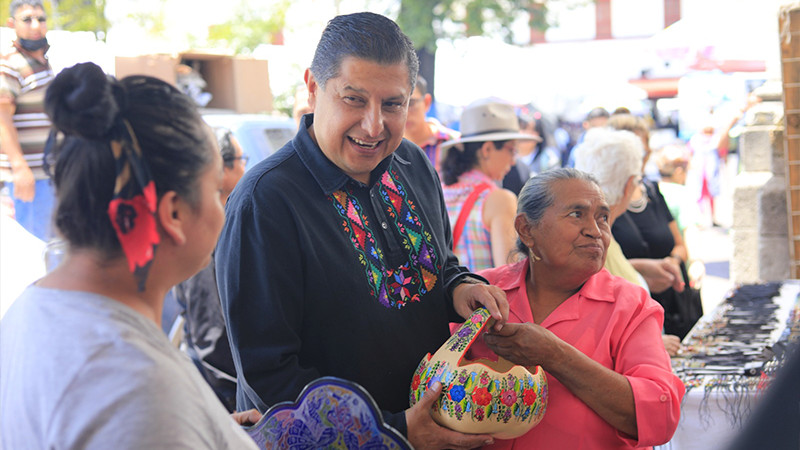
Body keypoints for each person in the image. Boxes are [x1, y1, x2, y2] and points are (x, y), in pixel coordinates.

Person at [215, 12, 509, 450]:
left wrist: (460, 286)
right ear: (314, 88)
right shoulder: (265, 201)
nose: (374, 126)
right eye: (354, 99)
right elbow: (268, 373)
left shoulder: (413, 165)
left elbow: (439, 264)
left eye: (393, 104)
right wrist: (393, 430)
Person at [0, 62, 259, 448]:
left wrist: (210, 428)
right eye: (215, 192)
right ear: (173, 214)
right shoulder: (135, 386)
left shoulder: (33, 308)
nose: (223, 209)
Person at [467, 168, 684, 449]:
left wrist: (556, 356)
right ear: (527, 229)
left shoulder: (631, 306)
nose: (595, 231)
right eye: (576, 214)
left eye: (602, 217)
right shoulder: (482, 293)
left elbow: (660, 414)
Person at [573, 127, 683, 356]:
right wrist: (648, 343)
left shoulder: (595, 234)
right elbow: (591, 320)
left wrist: (640, 269)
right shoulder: (598, 238)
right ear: (629, 184)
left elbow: (603, 282)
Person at [172, 127, 248, 412]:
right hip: (219, 395)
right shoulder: (203, 236)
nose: (245, 168)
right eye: (241, 160)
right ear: (221, 168)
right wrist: (233, 399)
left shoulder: (222, 223)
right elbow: (210, 335)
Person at [439, 98, 537, 272]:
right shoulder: (499, 199)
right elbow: (509, 272)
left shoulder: (439, 190)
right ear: (487, 149)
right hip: (483, 298)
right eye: (511, 150)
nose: (514, 161)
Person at [0, 0, 56, 241]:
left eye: (40, 19)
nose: (36, 25)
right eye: (27, 19)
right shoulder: (10, 64)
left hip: (47, 173)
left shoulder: (43, 63)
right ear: (12, 24)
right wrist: (20, 167)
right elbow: (2, 118)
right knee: (33, 249)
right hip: (27, 177)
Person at [402, 75, 459, 172]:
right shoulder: (385, 148)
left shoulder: (455, 143)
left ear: (426, 102)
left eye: (411, 103)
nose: (405, 113)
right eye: (395, 104)